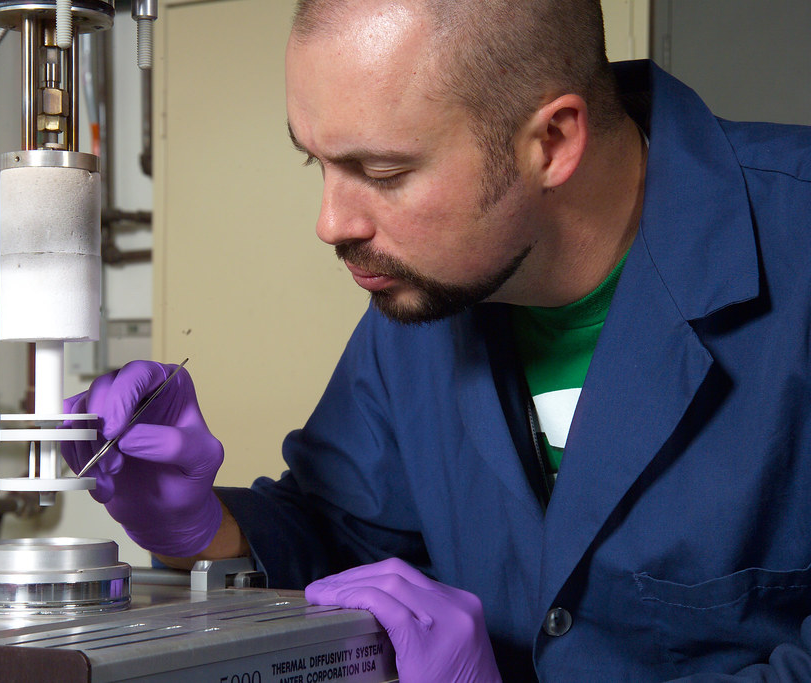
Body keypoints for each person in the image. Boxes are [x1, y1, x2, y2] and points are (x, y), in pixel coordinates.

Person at [63, 0, 811, 680]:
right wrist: (205, 528)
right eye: (314, 160)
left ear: (552, 140)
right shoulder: (433, 293)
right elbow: (344, 539)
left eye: (382, 170)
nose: (331, 223)